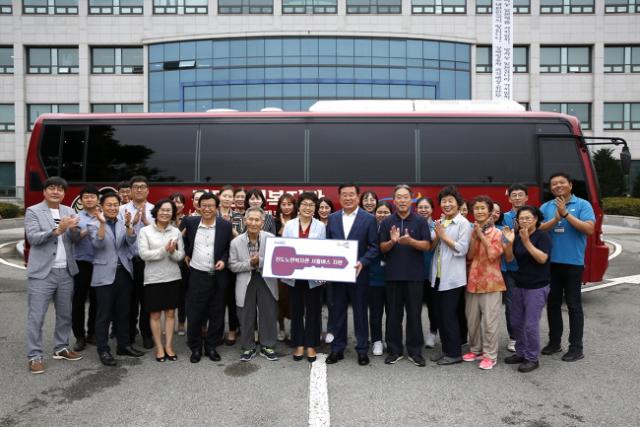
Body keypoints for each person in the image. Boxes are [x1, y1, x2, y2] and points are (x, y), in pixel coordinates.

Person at [25, 176, 82, 374]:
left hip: (66, 270)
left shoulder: (69, 211)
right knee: (37, 316)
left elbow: (75, 239)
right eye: (52, 188)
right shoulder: (33, 211)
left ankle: (61, 347)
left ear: (64, 193)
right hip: (42, 272)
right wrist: (57, 230)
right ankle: (34, 356)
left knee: (65, 313)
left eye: (60, 189)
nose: (56, 192)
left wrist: (74, 230)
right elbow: (33, 238)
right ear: (44, 191)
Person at [539, 173, 595, 362]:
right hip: (551, 263)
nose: (558, 185)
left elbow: (589, 229)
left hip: (573, 264)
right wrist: (555, 219)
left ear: (570, 185)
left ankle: (576, 347)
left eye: (562, 182)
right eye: (554, 183)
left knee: (573, 305)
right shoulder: (546, 207)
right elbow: (538, 228)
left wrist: (565, 214)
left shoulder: (583, 205)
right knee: (552, 304)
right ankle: (554, 342)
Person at [325, 184, 379, 366]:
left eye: (351, 195)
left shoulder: (369, 219)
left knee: (360, 312)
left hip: (359, 274)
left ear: (358, 196)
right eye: (344, 195)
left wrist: (363, 261)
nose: (348, 198)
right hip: (338, 275)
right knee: (337, 312)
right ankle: (337, 349)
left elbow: (374, 246)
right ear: (339, 197)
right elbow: (327, 245)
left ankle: (362, 350)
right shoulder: (332, 218)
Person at [379, 184, 432, 367]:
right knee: (393, 315)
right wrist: (392, 242)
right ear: (394, 200)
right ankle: (394, 350)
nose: (402, 200)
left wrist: (411, 241)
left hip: (414, 276)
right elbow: (381, 248)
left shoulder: (420, 221)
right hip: (393, 275)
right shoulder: (387, 222)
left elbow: (427, 245)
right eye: (399, 197)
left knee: (414, 315)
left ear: (411, 200)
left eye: (405, 197)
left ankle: (415, 351)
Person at [90, 192, 144, 366]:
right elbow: (97, 244)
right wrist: (102, 224)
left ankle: (123, 345)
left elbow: (131, 241)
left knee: (123, 312)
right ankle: (103, 350)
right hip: (104, 274)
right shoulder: (93, 223)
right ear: (101, 206)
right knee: (104, 314)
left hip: (124, 273)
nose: (113, 208)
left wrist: (129, 225)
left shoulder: (122, 222)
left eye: (115, 205)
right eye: (109, 205)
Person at [181, 192, 233, 363]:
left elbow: (229, 248)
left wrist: (224, 260)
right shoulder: (190, 222)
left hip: (218, 275)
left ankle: (211, 346)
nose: (207, 209)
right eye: (204, 205)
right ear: (199, 206)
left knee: (217, 313)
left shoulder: (225, 225)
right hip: (197, 275)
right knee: (195, 313)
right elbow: (182, 239)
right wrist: (186, 253)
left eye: (211, 206)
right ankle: (195, 348)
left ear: (216, 207)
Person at [503, 206, 552, 373]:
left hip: (537, 286)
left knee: (531, 324)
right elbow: (509, 259)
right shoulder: (518, 236)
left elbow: (542, 258)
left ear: (536, 219)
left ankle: (532, 358)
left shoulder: (542, 236)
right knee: (516, 322)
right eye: (521, 219)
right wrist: (509, 242)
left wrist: (526, 242)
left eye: (527, 218)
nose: (524, 221)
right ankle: (521, 352)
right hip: (519, 284)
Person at [229, 207, 279, 362]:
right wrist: (250, 263)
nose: (253, 223)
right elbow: (232, 265)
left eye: (257, 220)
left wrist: (260, 261)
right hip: (245, 279)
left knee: (268, 312)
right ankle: (248, 347)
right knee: (245, 314)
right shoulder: (236, 242)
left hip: (266, 279)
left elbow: (277, 261)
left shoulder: (271, 238)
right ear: (245, 220)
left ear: (262, 223)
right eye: (250, 219)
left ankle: (267, 345)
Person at [138, 199, 185, 362]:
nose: (165, 213)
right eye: (162, 210)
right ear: (156, 211)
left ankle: (169, 346)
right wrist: (164, 250)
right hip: (153, 278)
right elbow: (144, 255)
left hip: (172, 276)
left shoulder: (176, 231)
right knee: (155, 314)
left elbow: (181, 255)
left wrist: (172, 252)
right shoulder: (145, 231)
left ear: (173, 213)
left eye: (169, 210)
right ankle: (159, 347)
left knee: (171, 313)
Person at [462, 195, 506, 370]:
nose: (479, 211)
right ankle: (475, 349)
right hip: (473, 281)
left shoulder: (499, 233)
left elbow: (493, 255)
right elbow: (470, 255)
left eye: (482, 208)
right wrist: (475, 236)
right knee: (472, 320)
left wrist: (481, 235)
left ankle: (490, 355)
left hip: (492, 283)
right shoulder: (472, 231)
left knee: (490, 322)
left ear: (490, 212)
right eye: (476, 208)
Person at [430, 185, 472, 366]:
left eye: (450, 201)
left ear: (458, 203)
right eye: (443, 201)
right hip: (437, 276)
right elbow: (432, 246)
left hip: (453, 278)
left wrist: (443, 235)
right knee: (440, 315)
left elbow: (462, 249)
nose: (446, 204)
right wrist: (437, 234)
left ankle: (455, 353)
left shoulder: (463, 223)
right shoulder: (441, 221)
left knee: (449, 315)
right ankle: (446, 350)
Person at [283, 192, 326, 363]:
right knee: (296, 310)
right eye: (304, 204)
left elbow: (323, 250)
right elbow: (284, 249)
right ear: (299, 207)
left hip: (313, 275)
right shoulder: (289, 225)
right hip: (294, 275)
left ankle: (311, 344)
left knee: (313, 310)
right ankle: (299, 343)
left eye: (311, 205)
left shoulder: (320, 226)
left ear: (315, 208)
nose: (308, 208)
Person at [118, 175, 154, 349]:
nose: (139, 189)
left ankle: (147, 333)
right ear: (130, 191)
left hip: (147, 262)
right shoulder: (120, 210)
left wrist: (146, 223)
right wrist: (129, 225)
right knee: (128, 301)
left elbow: (159, 235)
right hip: (127, 262)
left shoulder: (155, 210)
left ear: (148, 190)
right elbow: (117, 235)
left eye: (142, 186)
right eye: (136, 187)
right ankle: (130, 332)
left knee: (147, 300)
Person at [70, 185, 99, 352]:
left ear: (97, 199)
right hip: (81, 263)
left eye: (92, 196)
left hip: (99, 263)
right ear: (81, 200)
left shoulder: (103, 215)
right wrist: (88, 229)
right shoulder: (75, 217)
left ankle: (92, 333)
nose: (89, 199)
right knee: (78, 301)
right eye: (86, 197)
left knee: (97, 300)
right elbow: (74, 239)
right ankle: (79, 336)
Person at [501, 183, 529, 352]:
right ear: (509, 198)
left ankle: (526, 335)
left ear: (526, 197)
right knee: (511, 304)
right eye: (514, 195)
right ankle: (514, 337)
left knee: (529, 303)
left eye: (520, 195)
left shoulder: (532, 215)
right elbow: (502, 240)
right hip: (511, 267)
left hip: (529, 267)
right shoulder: (504, 217)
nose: (517, 198)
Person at [368, 201, 392, 356]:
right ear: (375, 213)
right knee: (376, 312)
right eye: (379, 212)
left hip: (392, 277)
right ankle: (376, 340)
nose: (382, 215)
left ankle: (390, 339)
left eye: (386, 212)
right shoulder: (370, 228)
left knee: (392, 312)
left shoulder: (396, 228)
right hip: (374, 277)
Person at [218, 185, 241, 345]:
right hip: (215, 261)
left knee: (232, 299)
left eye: (229, 196)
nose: (227, 198)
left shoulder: (239, 217)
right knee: (217, 300)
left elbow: (242, 239)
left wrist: (230, 228)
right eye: (224, 195)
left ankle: (232, 330)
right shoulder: (212, 214)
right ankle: (217, 331)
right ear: (219, 197)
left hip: (233, 262)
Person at [415, 197, 438, 349]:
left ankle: (432, 332)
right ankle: (416, 335)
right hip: (415, 272)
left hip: (432, 272)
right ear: (416, 209)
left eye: (426, 207)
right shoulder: (412, 225)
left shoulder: (437, 226)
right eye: (420, 207)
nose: (423, 210)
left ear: (432, 209)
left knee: (433, 305)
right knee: (415, 306)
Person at [274, 193, 297, 342]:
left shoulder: (298, 221)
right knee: (280, 298)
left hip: (295, 265)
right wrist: (283, 226)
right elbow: (274, 242)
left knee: (294, 299)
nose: (286, 207)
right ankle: (281, 328)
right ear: (279, 206)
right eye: (283, 204)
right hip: (279, 265)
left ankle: (295, 329)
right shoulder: (274, 222)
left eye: (289, 204)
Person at [171, 192, 188, 337]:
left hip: (183, 262)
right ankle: (169, 323)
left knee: (183, 294)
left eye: (179, 202)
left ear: (183, 204)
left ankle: (181, 323)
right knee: (169, 294)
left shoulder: (188, 219)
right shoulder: (165, 219)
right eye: (174, 202)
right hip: (167, 260)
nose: (177, 205)